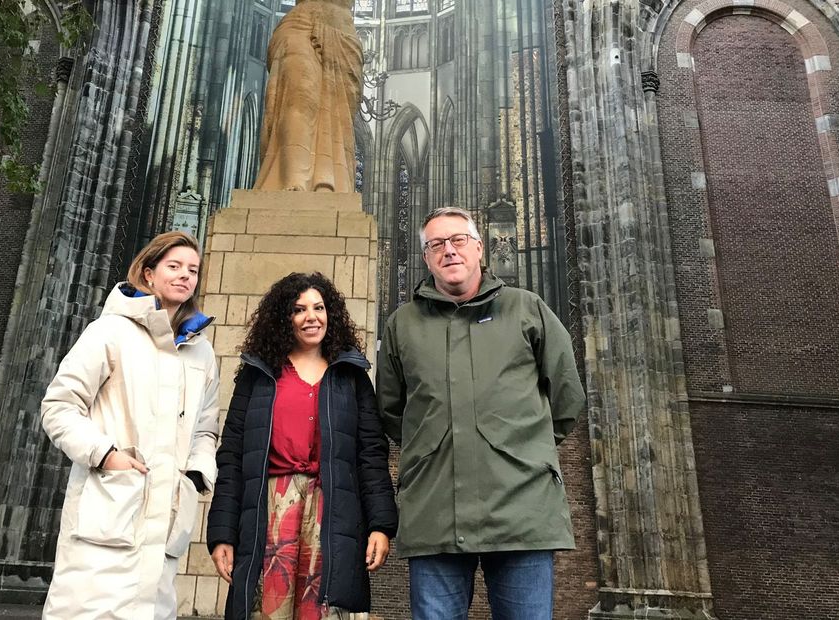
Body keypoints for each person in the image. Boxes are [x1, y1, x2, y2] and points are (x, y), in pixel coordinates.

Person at [376, 207, 586, 620]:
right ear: (426, 257)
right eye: (436, 244)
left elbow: (567, 397)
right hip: (435, 511)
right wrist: (433, 446)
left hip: (521, 512)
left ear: (479, 247)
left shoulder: (527, 310)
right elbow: (391, 409)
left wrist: (527, 449)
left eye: (457, 240)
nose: (448, 251)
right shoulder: (403, 324)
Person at [40, 231, 220, 619]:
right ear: (149, 273)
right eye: (173, 266)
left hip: (163, 529)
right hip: (108, 517)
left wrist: (194, 474)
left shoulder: (201, 351)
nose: (184, 276)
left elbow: (206, 429)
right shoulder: (110, 332)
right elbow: (59, 406)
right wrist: (106, 456)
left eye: (192, 270)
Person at [207, 272, 397, 619]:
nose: (312, 316)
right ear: (284, 319)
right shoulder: (259, 374)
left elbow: (371, 454)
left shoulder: (350, 376)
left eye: (319, 307)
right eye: (299, 309)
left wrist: (380, 526)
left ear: (331, 314)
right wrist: (222, 534)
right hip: (268, 511)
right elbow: (233, 456)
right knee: (265, 608)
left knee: (322, 610)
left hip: (332, 509)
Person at [254, 0, 362, 193]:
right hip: (300, 24)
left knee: (338, 115)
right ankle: (294, 180)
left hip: (341, 29)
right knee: (299, 99)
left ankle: (329, 181)